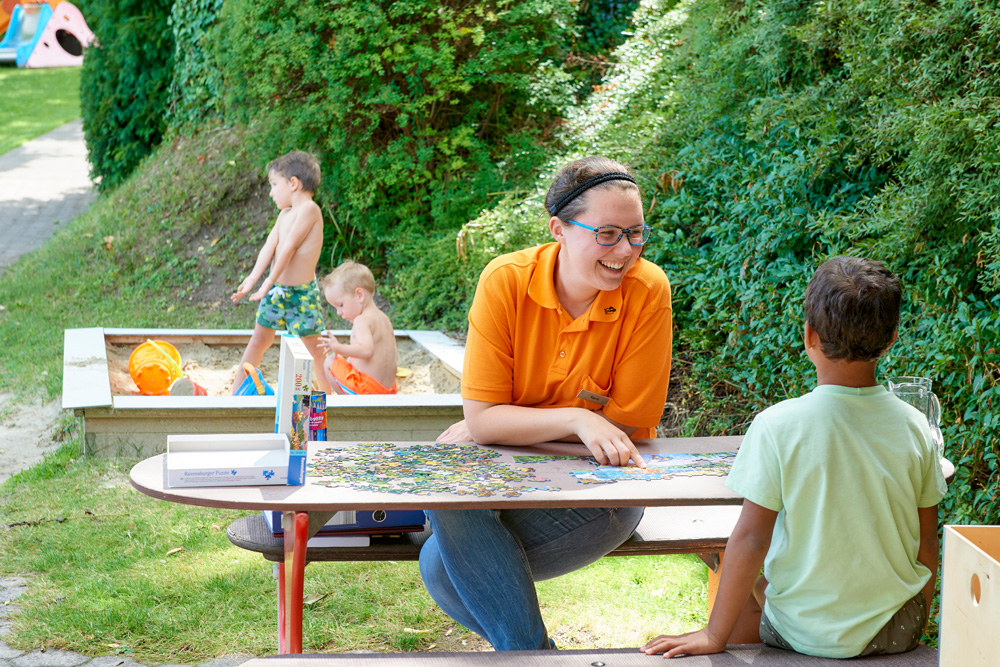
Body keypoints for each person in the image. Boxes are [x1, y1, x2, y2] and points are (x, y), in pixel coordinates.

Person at [421, 156, 674, 650]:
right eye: (607, 234)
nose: (625, 250)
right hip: (503, 486)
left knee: (441, 565)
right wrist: (578, 419)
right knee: (445, 521)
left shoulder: (648, 291)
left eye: (636, 233)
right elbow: (485, 421)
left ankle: (533, 659)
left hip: (605, 495)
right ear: (558, 228)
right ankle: (539, 659)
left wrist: (503, 425)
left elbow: (627, 433)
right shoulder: (505, 281)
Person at [642, 256, 948, 660]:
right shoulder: (914, 426)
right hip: (897, 630)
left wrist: (714, 636)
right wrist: (919, 613)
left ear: (809, 336)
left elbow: (752, 538)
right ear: (891, 338)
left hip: (804, 634)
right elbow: (928, 539)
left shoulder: (776, 425)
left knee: (744, 576)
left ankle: (721, 644)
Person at [230, 150, 332, 395]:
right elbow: (270, 246)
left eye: (274, 185)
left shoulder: (309, 210)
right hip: (277, 292)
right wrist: (252, 279)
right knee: (258, 341)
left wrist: (267, 282)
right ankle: (234, 395)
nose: (271, 192)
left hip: (302, 295)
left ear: (293, 183)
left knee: (315, 350)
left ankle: (330, 398)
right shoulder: (284, 214)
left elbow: (289, 248)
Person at [317, 260, 399, 395]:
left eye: (341, 305)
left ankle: (347, 402)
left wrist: (338, 348)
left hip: (367, 389)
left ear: (359, 295)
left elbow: (366, 350)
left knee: (329, 361)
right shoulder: (383, 318)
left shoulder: (362, 320)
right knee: (349, 361)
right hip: (388, 391)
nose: (338, 312)